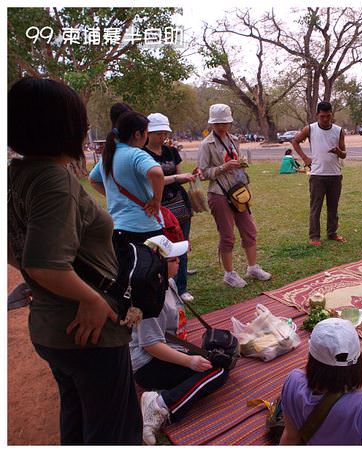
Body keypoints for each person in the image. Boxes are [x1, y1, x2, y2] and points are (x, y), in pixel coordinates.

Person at [7, 77, 141, 444]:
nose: (84, 129)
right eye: (79, 120)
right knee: (112, 433)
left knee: (77, 419)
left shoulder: (17, 174)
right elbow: (44, 263)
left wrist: (44, 284)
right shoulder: (53, 179)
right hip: (89, 333)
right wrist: (90, 298)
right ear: (61, 126)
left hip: (52, 328)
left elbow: (17, 249)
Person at [130, 235, 228, 445]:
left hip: (168, 348)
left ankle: (158, 400)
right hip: (147, 365)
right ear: (160, 266)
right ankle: (160, 406)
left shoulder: (169, 282)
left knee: (221, 356)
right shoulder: (148, 298)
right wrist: (189, 361)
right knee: (217, 371)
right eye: (174, 260)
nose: (180, 262)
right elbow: (151, 345)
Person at [197, 103, 272, 288]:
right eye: (218, 123)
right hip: (219, 193)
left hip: (238, 191)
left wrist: (241, 168)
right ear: (212, 124)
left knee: (249, 230)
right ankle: (229, 274)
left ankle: (252, 267)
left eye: (225, 123)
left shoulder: (233, 140)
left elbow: (236, 162)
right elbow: (203, 172)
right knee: (227, 235)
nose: (222, 127)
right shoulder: (207, 144)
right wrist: (223, 168)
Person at [89, 111, 165, 261]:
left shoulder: (109, 155)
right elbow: (157, 173)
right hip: (145, 225)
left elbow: (93, 179)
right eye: (146, 133)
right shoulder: (136, 154)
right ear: (138, 134)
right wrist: (156, 200)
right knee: (151, 274)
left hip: (118, 227)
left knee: (128, 275)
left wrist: (114, 195)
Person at [143, 112, 196, 302]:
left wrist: (187, 177)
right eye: (158, 133)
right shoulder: (142, 154)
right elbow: (148, 182)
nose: (162, 137)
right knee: (162, 249)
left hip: (179, 205)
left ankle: (181, 287)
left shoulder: (171, 151)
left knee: (181, 246)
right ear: (148, 133)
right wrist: (174, 178)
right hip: (158, 207)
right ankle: (165, 287)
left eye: (165, 133)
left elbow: (179, 175)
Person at [291, 101, 347, 246]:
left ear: (331, 115)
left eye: (328, 116)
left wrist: (338, 151)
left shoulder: (338, 131)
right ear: (317, 115)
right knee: (316, 206)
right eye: (322, 116)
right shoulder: (310, 129)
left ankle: (332, 233)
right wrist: (305, 158)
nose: (325, 119)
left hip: (335, 175)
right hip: (317, 175)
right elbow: (295, 142)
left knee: (333, 207)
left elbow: (344, 154)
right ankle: (314, 236)